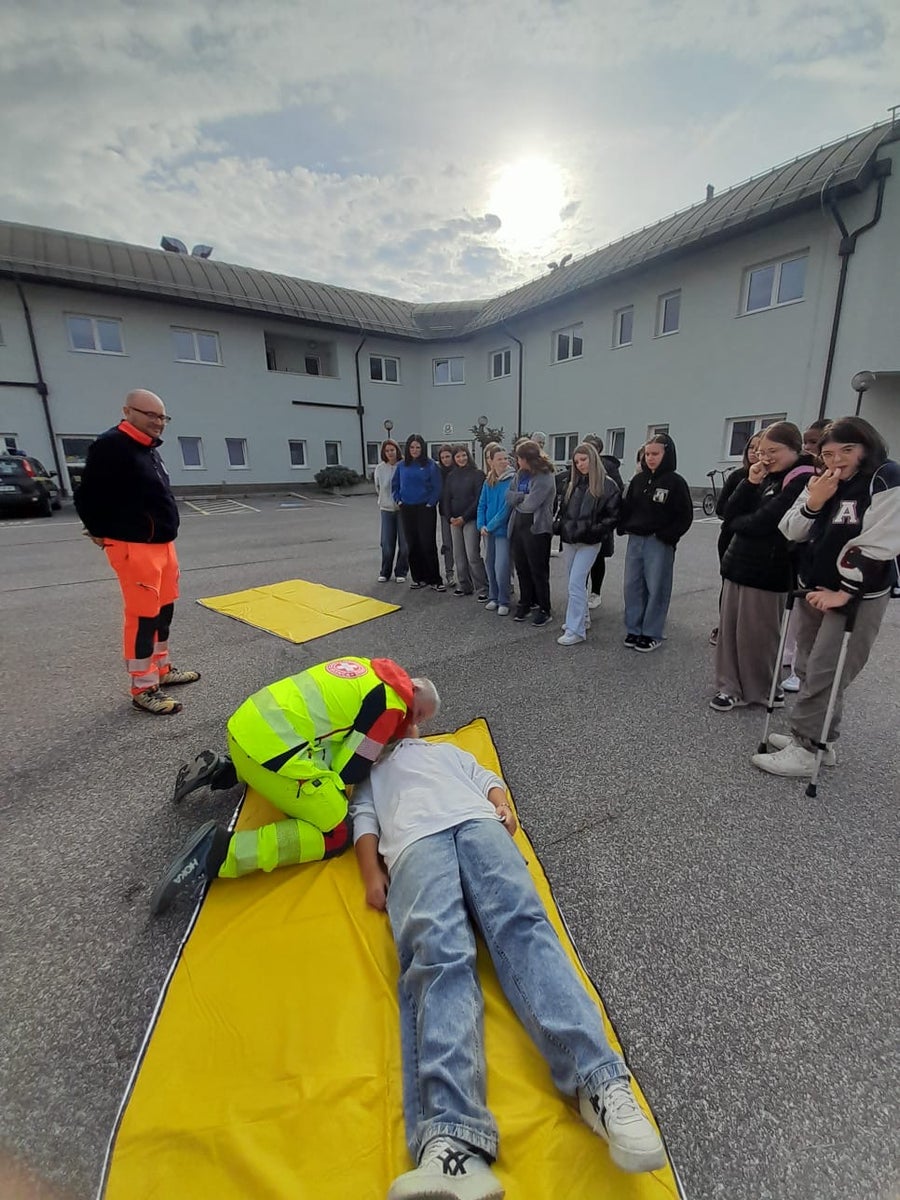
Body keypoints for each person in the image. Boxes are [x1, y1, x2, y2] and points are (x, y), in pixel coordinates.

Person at [349, 732, 666, 1200]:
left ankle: (600, 1083)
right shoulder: (371, 771)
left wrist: (500, 805)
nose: (404, 722)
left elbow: (484, 777)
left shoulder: (447, 751)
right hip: (414, 846)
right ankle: (453, 1141)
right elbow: (363, 819)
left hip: (478, 825)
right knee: (437, 957)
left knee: (525, 929)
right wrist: (371, 873)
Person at [150, 657, 440, 913]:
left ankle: (224, 770)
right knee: (337, 830)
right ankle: (221, 852)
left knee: (322, 740)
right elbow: (351, 769)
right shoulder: (390, 707)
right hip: (268, 754)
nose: (413, 724)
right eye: (417, 716)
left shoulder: (367, 668)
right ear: (412, 694)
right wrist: (382, 752)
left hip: (244, 730)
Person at [752, 417, 900, 777]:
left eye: (847, 451)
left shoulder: (885, 477)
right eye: (829, 454)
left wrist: (845, 591)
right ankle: (821, 741)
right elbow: (792, 529)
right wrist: (814, 502)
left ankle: (806, 747)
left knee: (826, 670)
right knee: (806, 666)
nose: (837, 460)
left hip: (856, 595)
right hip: (815, 588)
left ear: (866, 447)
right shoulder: (823, 480)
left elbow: (882, 540)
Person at [73, 388, 199, 715]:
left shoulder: (147, 447)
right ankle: (143, 688)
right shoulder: (112, 446)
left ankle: (162, 669)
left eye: (162, 417)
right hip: (135, 546)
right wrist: (98, 530)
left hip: (162, 544)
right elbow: (87, 495)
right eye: (151, 415)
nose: (158, 422)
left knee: (164, 610)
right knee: (144, 617)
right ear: (127, 411)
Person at [709, 423, 815, 711]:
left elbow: (768, 522)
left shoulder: (802, 479)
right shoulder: (765, 476)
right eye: (759, 451)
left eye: (772, 451)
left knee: (757, 635)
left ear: (794, 449)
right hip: (738, 565)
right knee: (731, 632)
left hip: (769, 570)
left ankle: (762, 689)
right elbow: (728, 512)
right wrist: (750, 482)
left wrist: (739, 523)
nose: (764, 457)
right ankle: (730, 686)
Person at [618, 434, 693, 652]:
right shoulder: (638, 480)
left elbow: (685, 515)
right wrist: (622, 525)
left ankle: (651, 632)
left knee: (656, 587)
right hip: (635, 540)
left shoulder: (675, 482)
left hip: (658, 542)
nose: (650, 458)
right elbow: (627, 507)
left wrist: (668, 535)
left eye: (655, 454)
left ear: (666, 454)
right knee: (632, 586)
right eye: (647, 454)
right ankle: (633, 628)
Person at [555, 444, 621, 645]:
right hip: (570, 540)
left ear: (593, 458)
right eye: (577, 461)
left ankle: (576, 630)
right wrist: (559, 526)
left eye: (583, 459)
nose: (580, 464)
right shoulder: (572, 483)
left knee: (576, 582)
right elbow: (563, 510)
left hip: (590, 542)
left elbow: (613, 516)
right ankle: (581, 619)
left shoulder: (607, 485)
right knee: (574, 582)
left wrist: (594, 531)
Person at [709, 434, 761, 646]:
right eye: (752, 448)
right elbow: (722, 509)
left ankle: (747, 630)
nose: (755, 452)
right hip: (731, 538)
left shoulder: (775, 479)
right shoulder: (738, 476)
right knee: (729, 586)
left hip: (758, 542)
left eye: (760, 448)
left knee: (754, 590)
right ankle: (725, 626)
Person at [505, 439, 556, 627]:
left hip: (537, 529)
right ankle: (526, 602)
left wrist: (518, 499)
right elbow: (508, 496)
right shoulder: (520, 474)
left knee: (538, 570)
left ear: (527, 459)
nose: (517, 461)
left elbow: (530, 505)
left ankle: (544, 608)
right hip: (519, 526)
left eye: (519, 458)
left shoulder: (544, 476)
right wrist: (520, 497)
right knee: (522, 567)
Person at [392, 434, 445, 591]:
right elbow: (395, 485)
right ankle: (419, 578)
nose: (415, 450)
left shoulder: (430, 465)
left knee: (427, 543)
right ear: (408, 448)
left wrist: (431, 503)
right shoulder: (401, 465)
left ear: (422, 448)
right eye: (412, 447)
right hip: (407, 508)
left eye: (418, 447)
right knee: (413, 543)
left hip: (425, 508)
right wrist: (398, 500)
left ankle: (434, 579)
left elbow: (437, 486)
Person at [583, 434, 624, 608]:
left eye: (592, 446)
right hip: (581, 521)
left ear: (598, 449)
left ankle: (595, 593)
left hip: (599, 520)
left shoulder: (608, 467)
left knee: (597, 559)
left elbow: (618, 490)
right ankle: (581, 590)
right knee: (581, 560)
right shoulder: (580, 464)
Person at [445, 445, 489, 598]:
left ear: (468, 455)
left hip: (471, 519)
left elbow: (479, 499)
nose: (461, 459)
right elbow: (446, 498)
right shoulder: (451, 476)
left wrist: (464, 517)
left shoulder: (477, 474)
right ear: (454, 459)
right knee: (459, 555)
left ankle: (482, 587)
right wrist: (449, 517)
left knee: (472, 555)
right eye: (458, 456)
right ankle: (464, 585)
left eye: (463, 455)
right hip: (454, 521)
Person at [477, 446, 515, 616]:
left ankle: (504, 600)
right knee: (490, 564)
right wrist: (481, 525)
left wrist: (490, 526)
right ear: (491, 462)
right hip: (487, 532)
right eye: (499, 459)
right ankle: (493, 597)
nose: (504, 462)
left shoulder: (512, 480)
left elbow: (506, 509)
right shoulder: (488, 481)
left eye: (505, 458)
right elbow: (482, 505)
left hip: (502, 531)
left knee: (502, 567)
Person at [374, 439, 408, 583]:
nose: (390, 453)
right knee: (386, 543)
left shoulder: (404, 466)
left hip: (402, 509)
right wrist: (385, 500)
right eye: (387, 451)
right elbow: (378, 487)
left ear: (397, 450)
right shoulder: (380, 468)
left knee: (405, 543)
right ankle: (385, 572)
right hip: (387, 509)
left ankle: (401, 571)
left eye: (392, 450)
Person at [437, 444, 457, 589]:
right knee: (447, 544)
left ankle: (467, 574)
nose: (445, 460)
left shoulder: (458, 470)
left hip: (459, 513)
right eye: (442, 457)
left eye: (448, 456)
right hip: (445, 513)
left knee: (463, 546)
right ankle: (449, 573)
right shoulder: (438, 473)